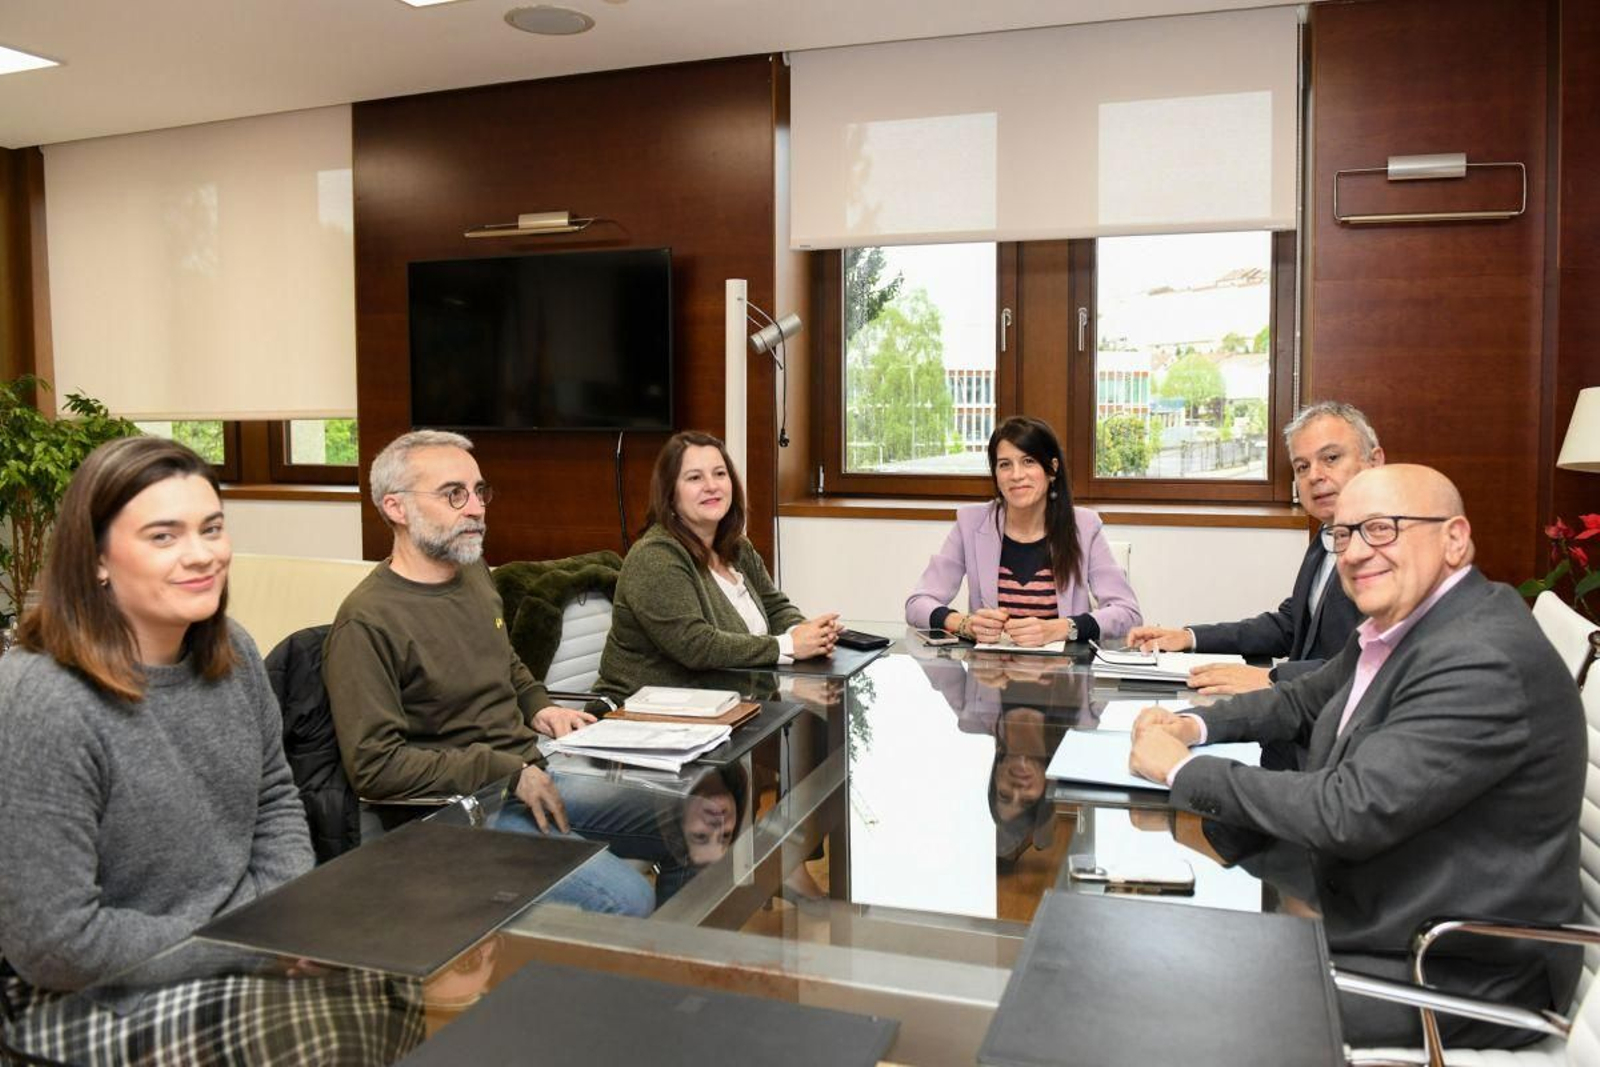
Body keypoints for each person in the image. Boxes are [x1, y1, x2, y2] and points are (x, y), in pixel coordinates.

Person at [1128, 465, 1585, 1049]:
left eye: (1382, 529)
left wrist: (1180, 770)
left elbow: (1346, 810)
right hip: (1388, 901)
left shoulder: (1480, 656)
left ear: (1454, 538)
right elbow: (1299, 701)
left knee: (1168, 1001)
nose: (1355, 552)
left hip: (1456, 969)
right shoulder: (1405, 625)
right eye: (1342, 535)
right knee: (1153, 937)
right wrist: (1190, 726)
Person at [0, 436, 419, 1063]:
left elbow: (276, 796)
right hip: (79, 995)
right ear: (96, 559)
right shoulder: (44, 700)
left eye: (212, 528)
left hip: (234, 946)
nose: (201, 556)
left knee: (408, 976)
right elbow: (54, 943)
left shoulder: (233, 652)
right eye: (163, 536)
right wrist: (246, 942)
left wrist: (281, 916)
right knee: (326, 1035)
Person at [323, 430, 653, 917]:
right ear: (395, 508)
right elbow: (376, 768)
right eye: (454, 494)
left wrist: (541, 708)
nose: (475, 508)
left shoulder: (474, 573)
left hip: (529, 771)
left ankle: (677, 981)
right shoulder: (367, 621)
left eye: (479, 492)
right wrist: (505, 771)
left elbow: (509, 663)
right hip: (454, 814)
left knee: (699, 819)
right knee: (628, 898)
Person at [1126, 401, 1383, 695]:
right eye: (1302, 466)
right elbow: (1291, 624)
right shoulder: (1325, 538)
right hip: (1299, 709)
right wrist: (1189, 637)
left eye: (1331, 457)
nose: (1314, 476)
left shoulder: (1391, 551)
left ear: (1373, 462)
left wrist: (1274, 678)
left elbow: (1377, 661)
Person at [597, 430, 841, 705]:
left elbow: (775, 608)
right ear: (670, 494)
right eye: (694, 477)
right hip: (638, 718)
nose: (712, 486)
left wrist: (811, 634)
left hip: (722, 707)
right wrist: (789, 645)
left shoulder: (737, 548)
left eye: (719, 474)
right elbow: (696, 646)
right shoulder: (655, 557)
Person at [906, 415, 1141, 645]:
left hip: (1065, 677)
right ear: (996, 474)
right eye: (1005, 465)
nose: (1017, 475)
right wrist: (964, 623)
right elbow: (917, 604)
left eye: (1029, 461)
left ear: (1052, 469)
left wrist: (1062, 628)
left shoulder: (1085, 527)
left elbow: (1128, 614)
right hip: (990, 676)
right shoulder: (971, 523)